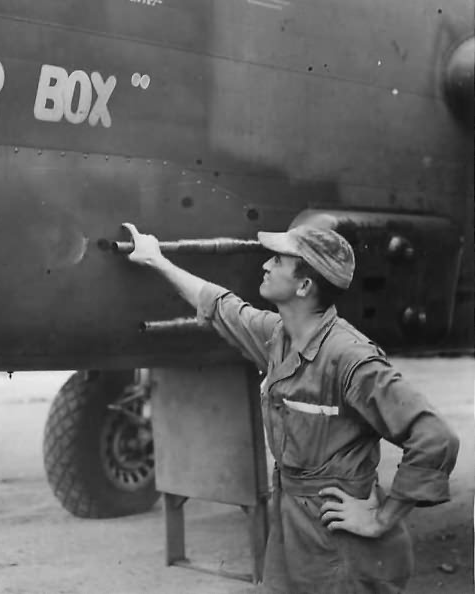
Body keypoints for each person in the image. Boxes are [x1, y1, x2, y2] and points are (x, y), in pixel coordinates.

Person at [121, 220, 459, 594]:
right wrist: (157, 260)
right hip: (290, 522)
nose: (265, 265)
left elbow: (434, 438)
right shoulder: (277, 336)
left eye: (279, 260)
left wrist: (382, 517)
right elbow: (221, 305)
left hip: (339, 536)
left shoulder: (350, 358)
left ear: (304, 286)